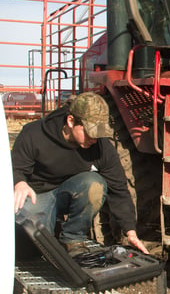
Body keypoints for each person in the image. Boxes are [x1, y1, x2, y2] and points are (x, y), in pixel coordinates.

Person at [12, 91, 148, 255]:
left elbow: (118, 189)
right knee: (32, 249)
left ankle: (73, 238)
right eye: (89, 132)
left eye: (98, 133)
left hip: (68, 194)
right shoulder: (34, 134)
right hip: (38, 195)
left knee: (94, 183)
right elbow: (15, 167)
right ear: (71, 121)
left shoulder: (100, 147)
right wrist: (19, 182)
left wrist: (130, 231)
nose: (94, 139)